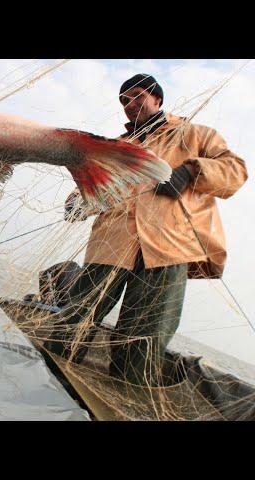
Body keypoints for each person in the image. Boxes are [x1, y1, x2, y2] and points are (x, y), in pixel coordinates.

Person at [44, 73, 248, 387]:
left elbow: (236, 170)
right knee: (75, 317)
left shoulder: (194, 134)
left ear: (157, 99)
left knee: (144, 336)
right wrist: (76, 202)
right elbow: (92, 184)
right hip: (109, 245)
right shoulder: (115, 147)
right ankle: (47, 376)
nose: (130, 105)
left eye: (137, 96)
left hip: (167, 248)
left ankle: (128, 390)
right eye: (124, 101)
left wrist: (191, 170)